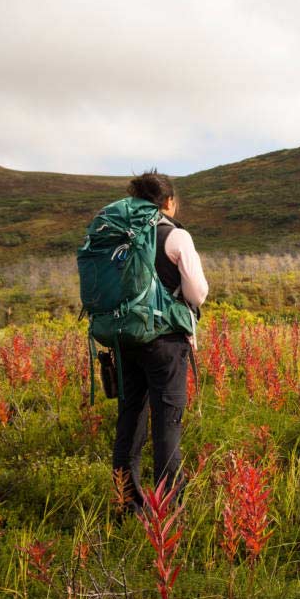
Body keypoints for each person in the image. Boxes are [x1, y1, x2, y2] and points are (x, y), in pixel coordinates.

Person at [113, 171, 208, 513]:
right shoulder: (175, 236)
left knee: (130, 420)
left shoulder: (116, 235)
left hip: (123, 338)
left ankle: (127, 505)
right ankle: (170, 509)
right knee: (166, 423)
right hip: (165, 342)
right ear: (168, 202)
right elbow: (197, 291)